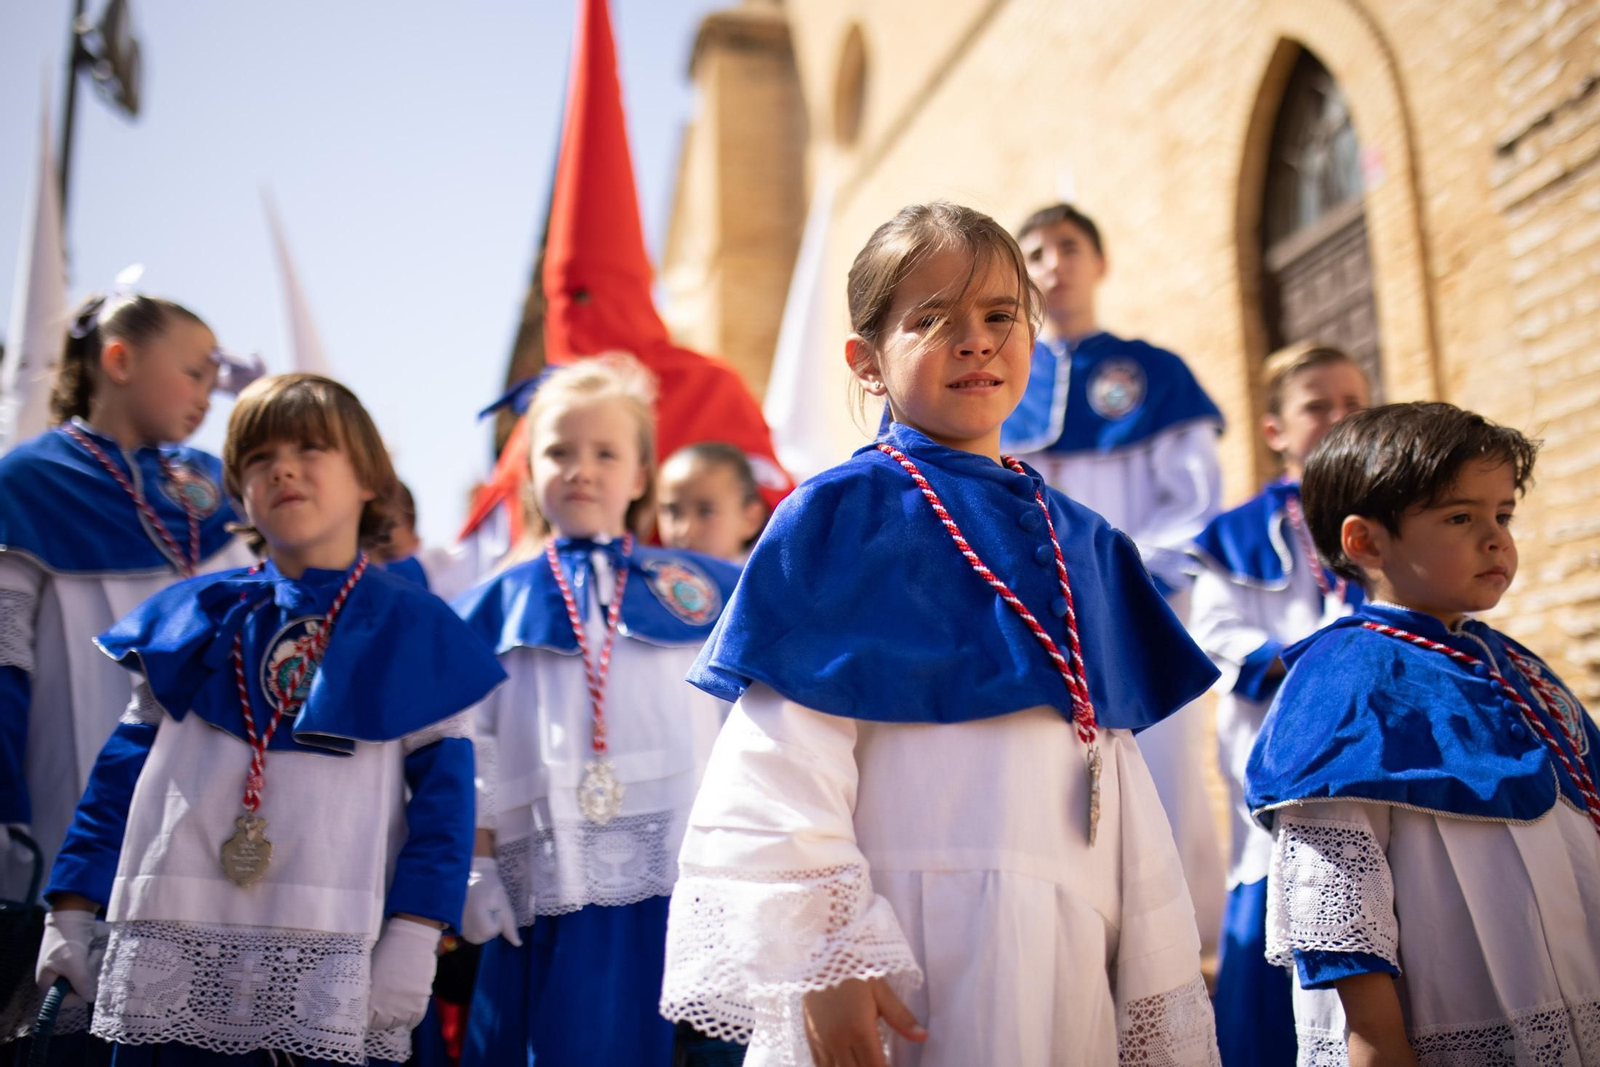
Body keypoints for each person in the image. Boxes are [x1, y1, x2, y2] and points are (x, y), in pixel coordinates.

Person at [658, 202, 1222, 1066]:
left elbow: (1120, 778)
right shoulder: (839, 515)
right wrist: (828, 953)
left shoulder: (1093, 543)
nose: (977, 341)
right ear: (867, 360)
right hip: (903, 944)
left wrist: (1149, 972)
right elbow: (781, 757)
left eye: (1001, 316)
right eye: (932, 319)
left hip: (1069, 941)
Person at [32, 372, 506, 1066]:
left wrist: (412, 931)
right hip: (177, 941)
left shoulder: (413, 626)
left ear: (368, 477)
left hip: (333, 949)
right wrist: (70, 905)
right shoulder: (193, 614)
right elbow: (119, 778)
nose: (282, 466)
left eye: (311, 447)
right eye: (258, 457)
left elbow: (444, 806)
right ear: (239, 487)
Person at [1246, 401, 1600, 1064]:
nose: (1495, 538)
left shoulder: (1511, 661)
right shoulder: (1344, 678)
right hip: (1444, 1017)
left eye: (1503, 514)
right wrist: (1376, 1039)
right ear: (1367, 542)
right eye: (1460, 517)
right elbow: (1334, 886)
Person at [454, 356, 741, 1067]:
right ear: (529, 470)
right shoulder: (494, 602)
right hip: (552, 881)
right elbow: (473, 741)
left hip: (684, 873)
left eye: (605, 453)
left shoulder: (700, 589)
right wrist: (479, 865)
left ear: (641, 474)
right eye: (558, 452)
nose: (580, 469)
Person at [0, 292, 256, 1049]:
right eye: (192, 371)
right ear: (119, 360)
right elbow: (6, 656)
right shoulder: (28, 480)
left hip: (214, 769)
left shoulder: (211, 485)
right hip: (73, 760)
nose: (208, 392)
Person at [1001, 202, 1228, 946]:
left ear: (1099, 262)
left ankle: (1177, 955)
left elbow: (1192, 500)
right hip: (1031, 619)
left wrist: (1119, 582)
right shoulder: (999, 379)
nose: (1053, 263)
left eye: (1069, 246)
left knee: (1160, 780)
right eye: (1034, 252)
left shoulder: (1154, 374)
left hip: (1137, 610)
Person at [1187, 346, 1369, 1066]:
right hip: (1279, 760)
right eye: (1317, 405)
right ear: (1275, 431)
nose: (1337, 418)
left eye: (1353, 403)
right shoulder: (1235, 535)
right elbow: (1216, 635)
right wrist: (1321, 655)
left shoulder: (1395, 516)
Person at [656, 442, 769, 562]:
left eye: (706, 512)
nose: (685, 530)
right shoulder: (646, 573)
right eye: (672, 511)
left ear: (751, 519)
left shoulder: (766, 578)